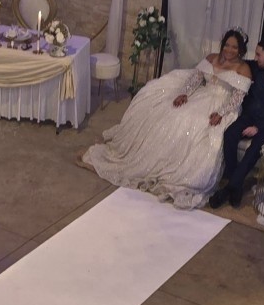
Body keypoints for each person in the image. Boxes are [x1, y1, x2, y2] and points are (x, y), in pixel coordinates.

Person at [81, 29, 254, 209]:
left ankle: (181, 173)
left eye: (234, 47)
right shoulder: (212, 58)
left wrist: (221, 112)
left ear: (240, 49)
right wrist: (184, 93)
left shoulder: (243, 69)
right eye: (227, 45)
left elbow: (237, 99)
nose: (229, 50)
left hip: (222, 104)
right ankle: (154, 159)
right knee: (174, 113)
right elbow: (195, 79)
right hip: (202, 95)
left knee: (196, 123)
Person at [211, 37, 264, 208]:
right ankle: (234, 180)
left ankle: (229, 189)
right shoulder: (256, 66)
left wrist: (258, 127)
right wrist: (217, 58)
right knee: (230, 134)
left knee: (256, 145)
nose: (255, 58)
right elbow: (237, 62)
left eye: (258, 55)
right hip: (252, 115)